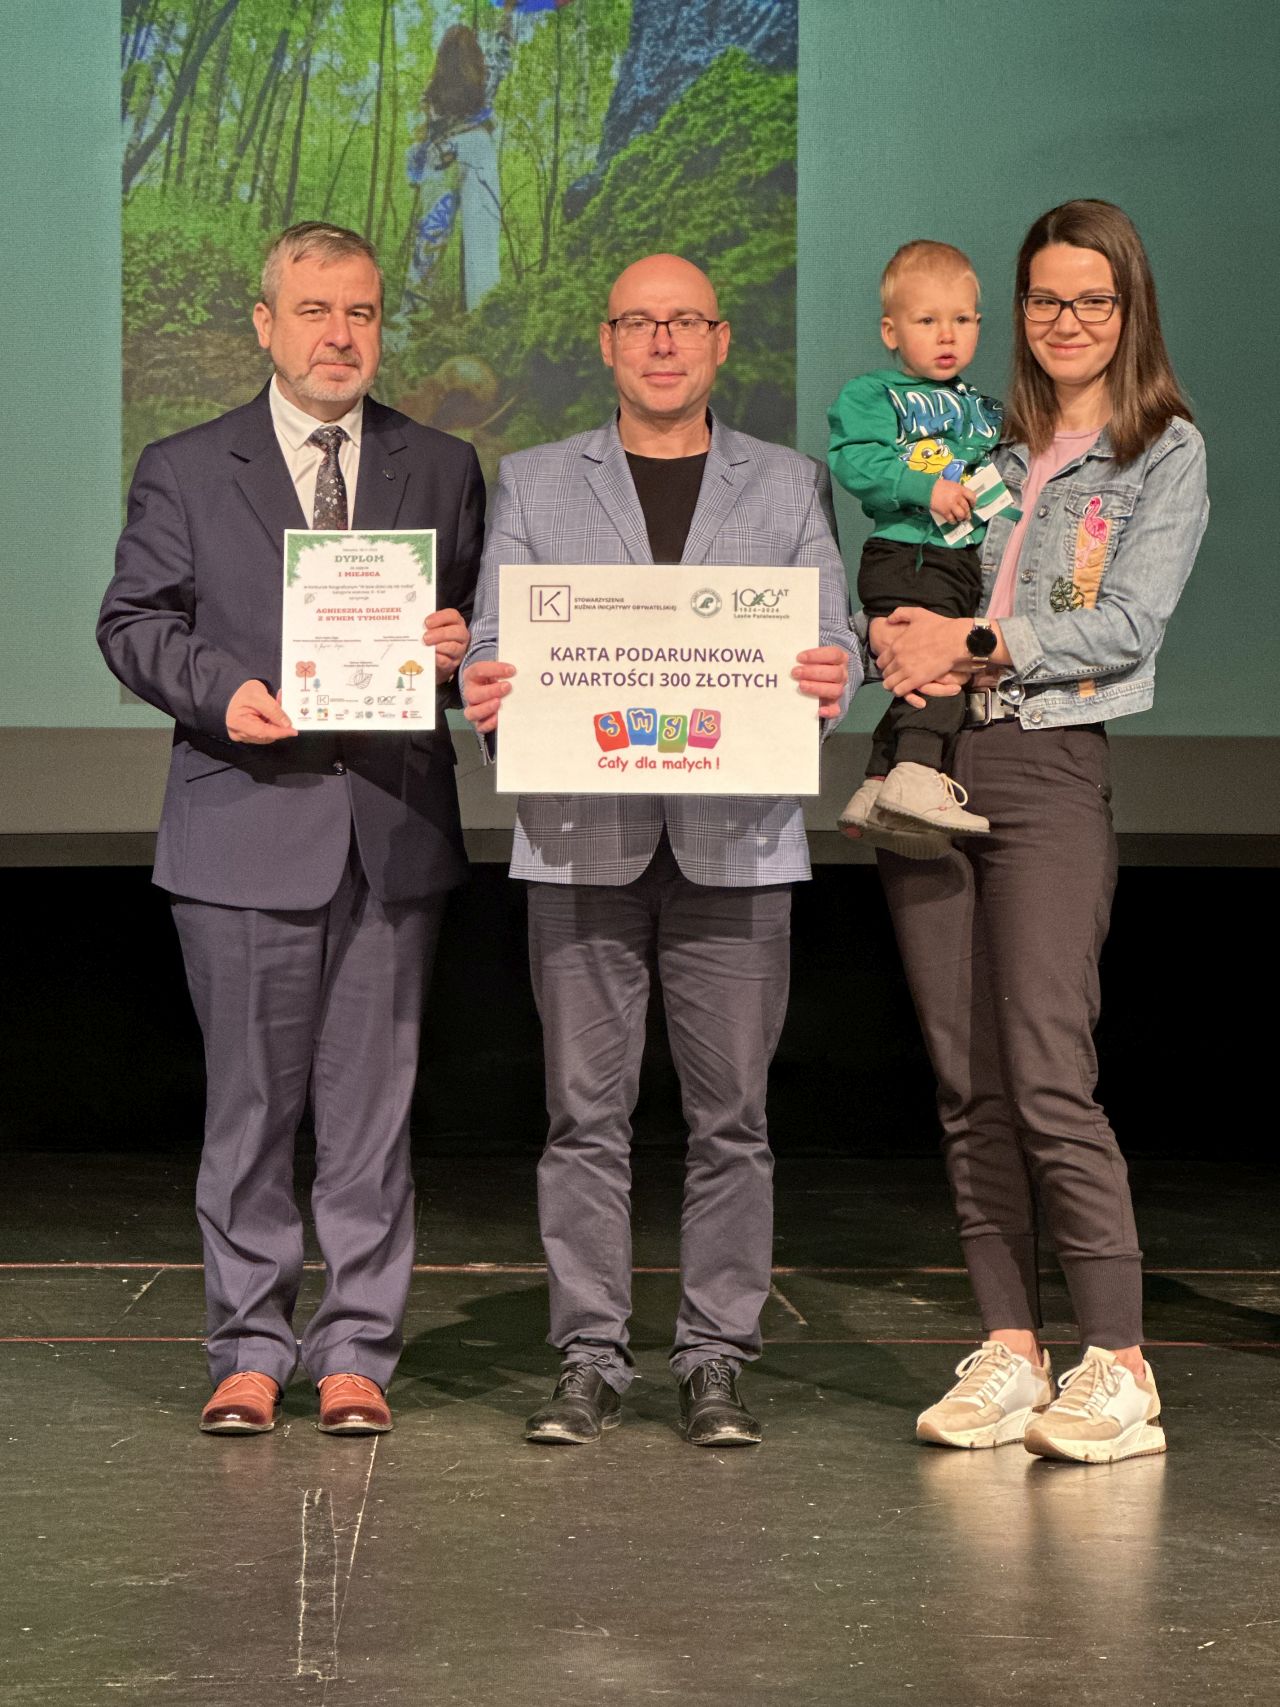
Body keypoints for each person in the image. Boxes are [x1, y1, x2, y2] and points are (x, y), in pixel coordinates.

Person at [461, 253, 857, 1448]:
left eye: (684, 321)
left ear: (720, 340)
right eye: (639, 322)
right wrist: (489, 686)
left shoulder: (786, 483)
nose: (663, 341)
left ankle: (714, 1357)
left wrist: (830, 676)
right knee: (582, 1121)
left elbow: (830, 639)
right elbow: (492, 638)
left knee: (731, 1122)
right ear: (606, 341)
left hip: (738, 840)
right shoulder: (534, 480)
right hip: (580, 837)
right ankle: (588, 1357)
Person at [98, 222, 485, 1437]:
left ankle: (357, 1347)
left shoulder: (442, 464)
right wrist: (222, 693)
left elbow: (472, 629)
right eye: (314, 311)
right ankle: (250, 1346)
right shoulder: (184, 464)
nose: (339, 335)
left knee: (372, 1115)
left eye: (360, 312)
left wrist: (458, 643)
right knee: (251, 1111)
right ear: (265, 324)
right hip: (242, 825)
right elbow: (132, 622)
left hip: (390, 829)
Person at [870, 201, 1207, 1463]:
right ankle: (1010, 1349)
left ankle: (1118, 1363)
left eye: (1091, 300)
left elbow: (1125, 624)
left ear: (1128, 311)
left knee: (1048, 1075)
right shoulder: (979, 437)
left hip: (1046, 761)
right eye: (1045, 299)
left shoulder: (1159, 452)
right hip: (926, 760)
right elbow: (914, 564)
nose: (1066, 321)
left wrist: (969, 641)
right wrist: (885, 634)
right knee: (967, 1085)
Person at [828, 240, 1019, 857]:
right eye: (927, 319)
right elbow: (854, 461)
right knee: (942, 670)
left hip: (961, 562)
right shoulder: (872, 394)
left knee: (923, 668)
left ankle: (876, 784)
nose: (947, 334)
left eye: (962, 319)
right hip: (907, 555)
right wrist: (923, 487)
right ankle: (916, 773)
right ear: (891, 331)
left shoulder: (986, 410)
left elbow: (1004, 484)